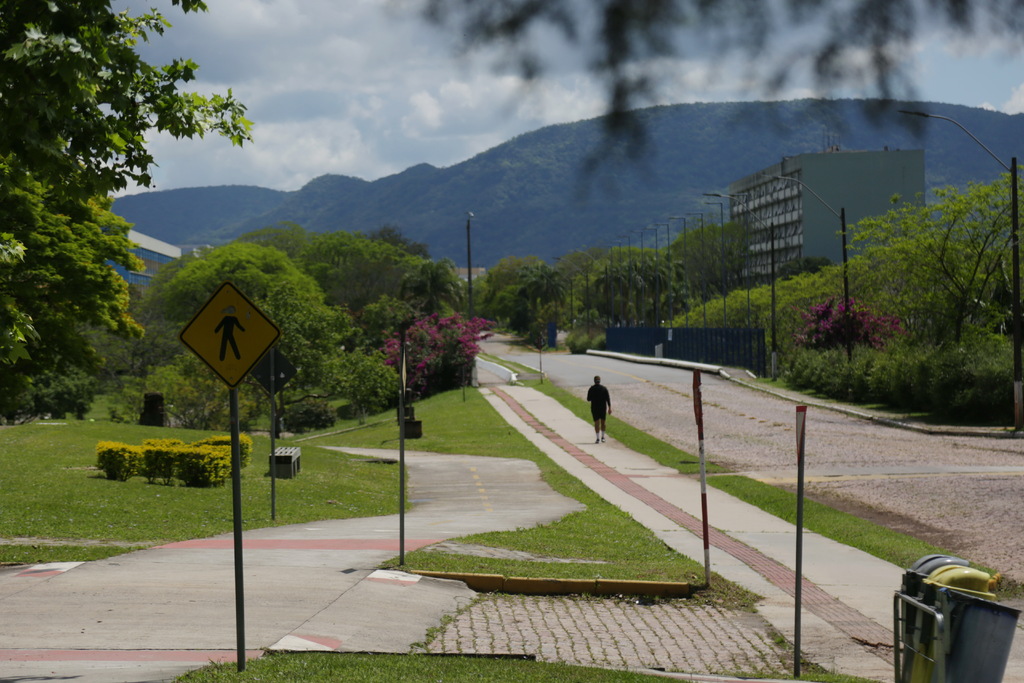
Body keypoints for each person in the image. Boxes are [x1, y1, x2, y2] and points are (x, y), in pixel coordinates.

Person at [586, 375, 611, 443]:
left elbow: (588, 399)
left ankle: (597, 438)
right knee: (603, 422)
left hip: (594, 407)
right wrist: (609, 407)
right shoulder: (604, 388)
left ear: (594, 381)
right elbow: (608, 399)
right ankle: (603, 437)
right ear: (600, 381)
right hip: (602, 407)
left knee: (596, 422)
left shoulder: (591, 389)